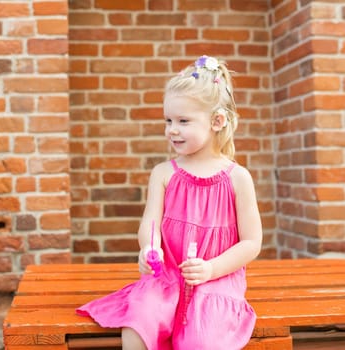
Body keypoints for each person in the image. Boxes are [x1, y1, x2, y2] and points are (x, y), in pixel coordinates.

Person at [76, 55, 263, 350]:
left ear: (217, 121)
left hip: (215, 279)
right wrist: (149, 248)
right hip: (169, 274)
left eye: (183, 121)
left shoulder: (238, 178)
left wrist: (211, 269)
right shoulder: (163, 174)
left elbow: (252, 242)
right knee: (140, 319)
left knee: (202, 339)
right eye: (168, 120)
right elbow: (150, 221)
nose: (171, 129)